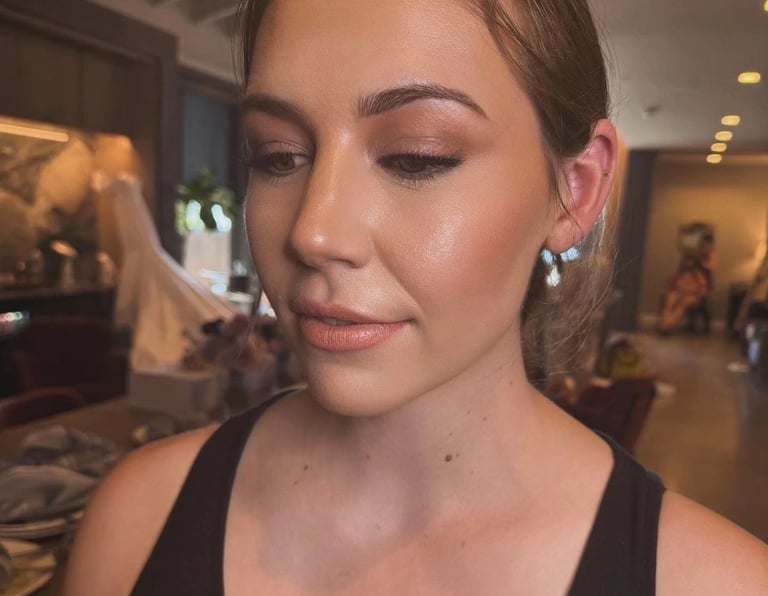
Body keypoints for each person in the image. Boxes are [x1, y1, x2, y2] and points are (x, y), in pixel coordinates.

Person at [64, 1, 768, 594]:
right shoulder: (138, 519)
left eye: (418, 156)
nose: (313, 231)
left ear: (575, 189)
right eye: (277, 156)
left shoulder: (717, 582)